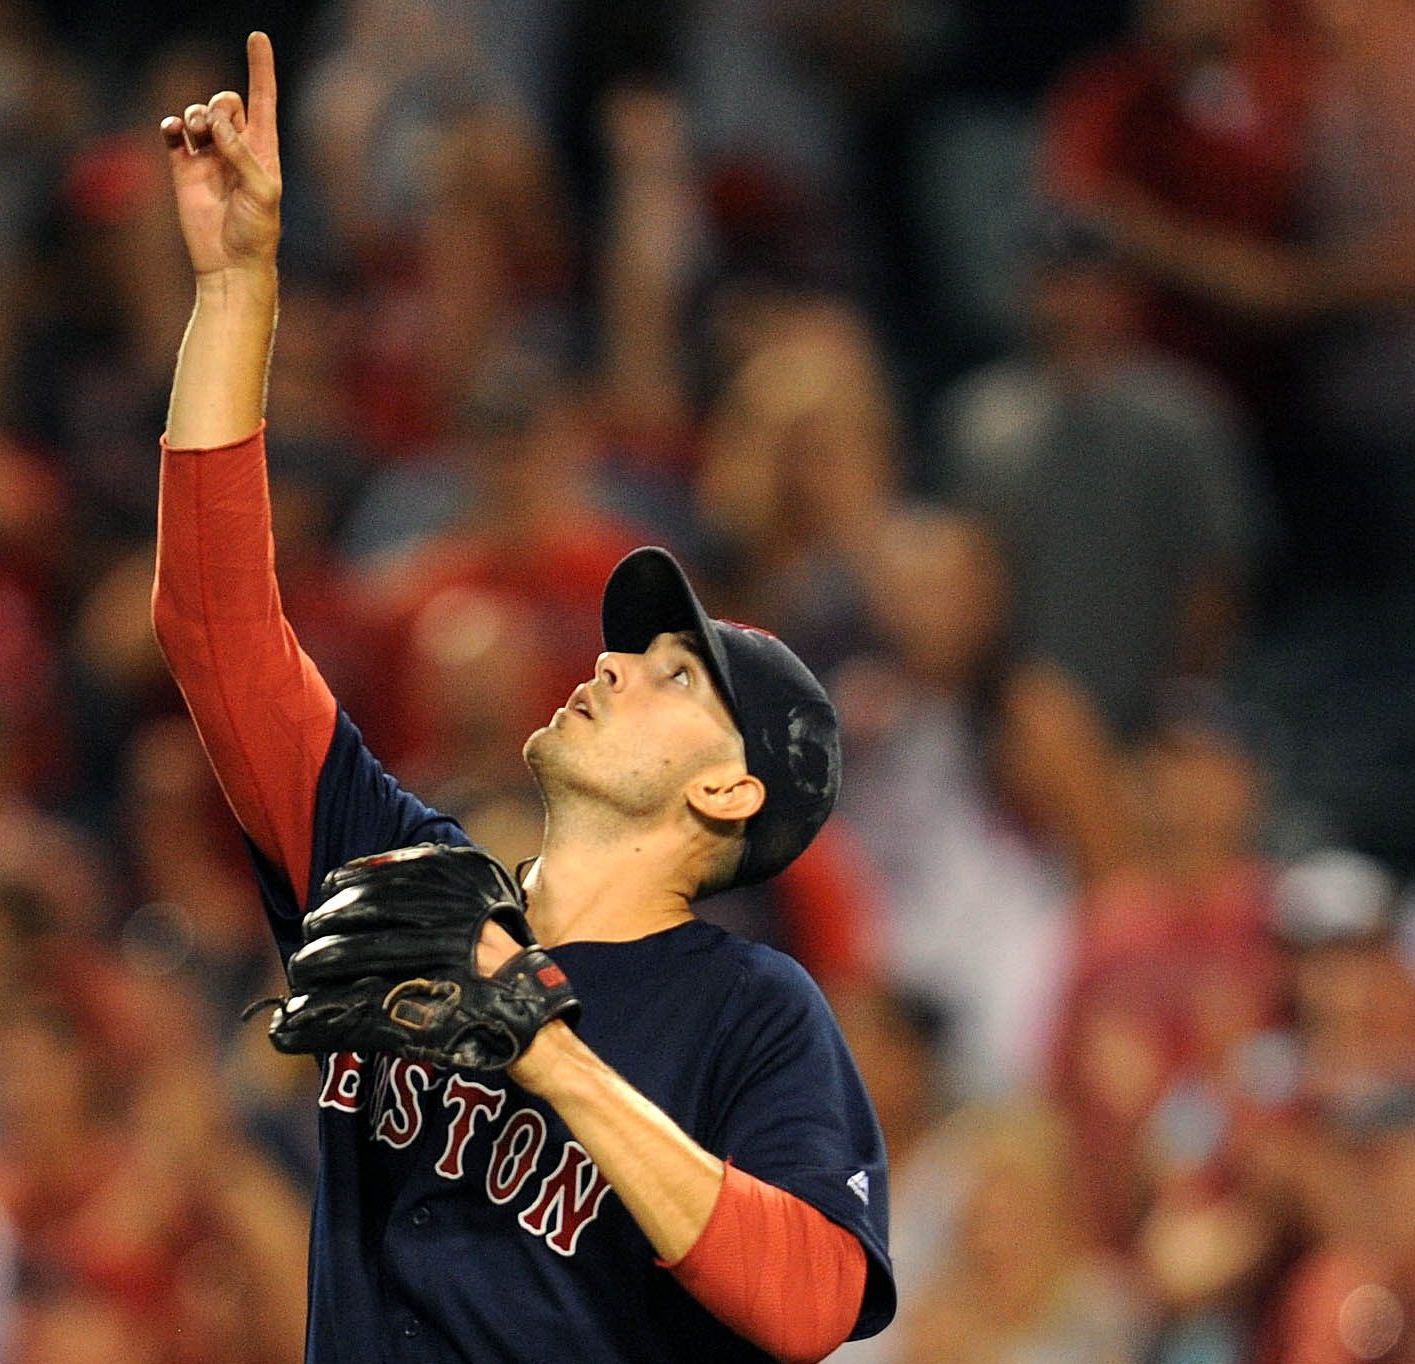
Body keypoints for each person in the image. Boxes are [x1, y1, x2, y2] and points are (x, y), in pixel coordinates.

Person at [150, 35, 891, 1363]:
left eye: (670, 676)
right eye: (627, 647)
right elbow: (214, 629)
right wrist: (235, 295)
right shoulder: (403, 880)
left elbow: (813, 1302)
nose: (608, 662)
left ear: (728, 788)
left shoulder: (750, 1012)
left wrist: (541, 1050)